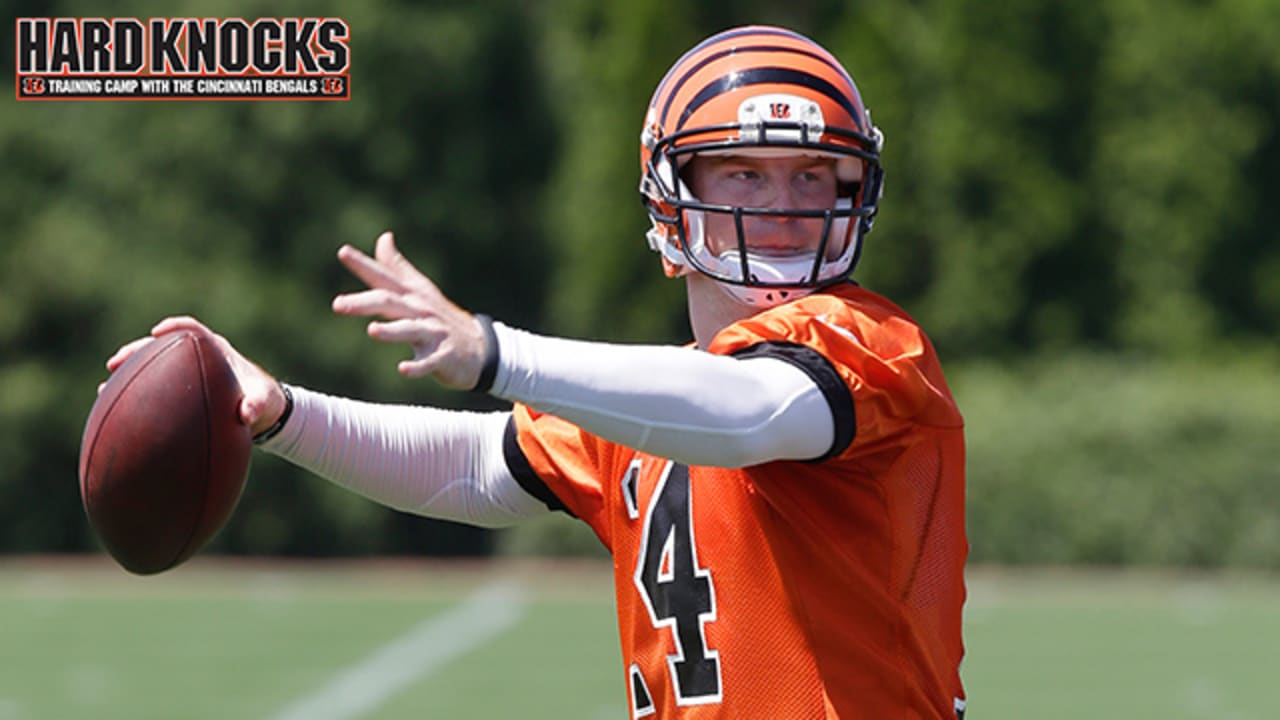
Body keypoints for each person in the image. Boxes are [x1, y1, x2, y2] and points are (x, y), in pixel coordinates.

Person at [107, 25, 967, 720]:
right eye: (744, 172)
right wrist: (282, 413)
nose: (781, 209)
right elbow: (478, 468)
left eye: (813, 177)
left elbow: (752, 414)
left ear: (853, 193)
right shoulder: (662, 402)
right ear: (670, 196)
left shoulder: (874, 346)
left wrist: (496, 352)